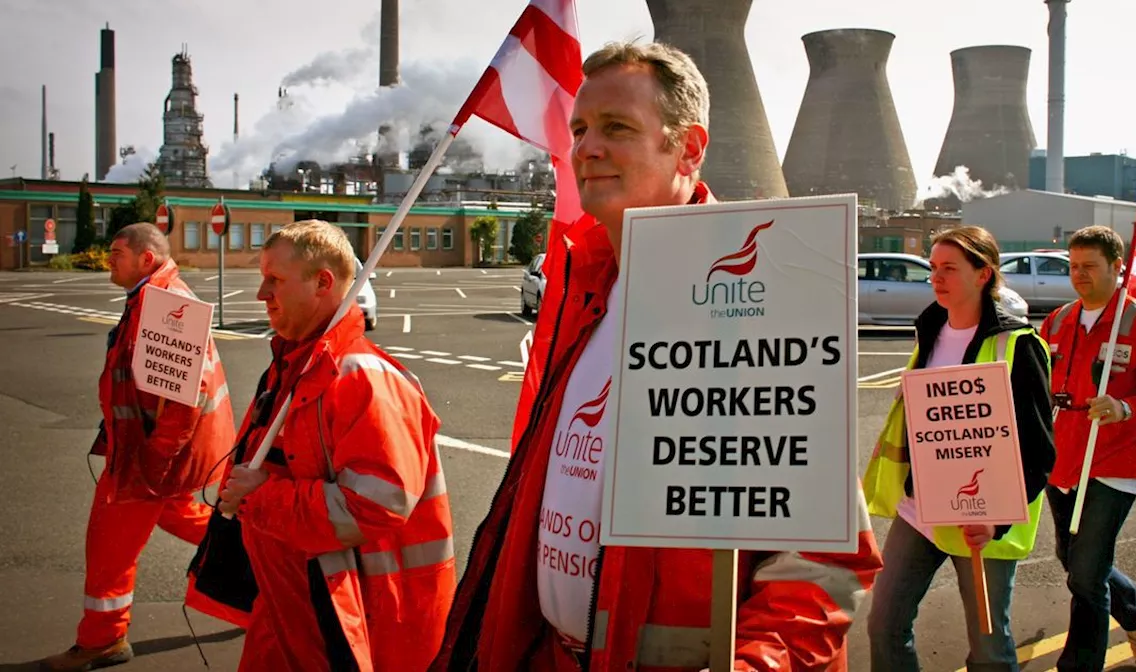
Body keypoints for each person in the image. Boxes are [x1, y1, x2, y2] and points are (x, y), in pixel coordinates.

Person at [430, 41, 884, 671]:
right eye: (581, 129)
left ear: (689, 148)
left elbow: (824, 564)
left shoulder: (760, 302)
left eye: (617, 128)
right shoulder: (579, 288)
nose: (586, 148)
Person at [214, 220, 456, 671]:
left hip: (354, 621)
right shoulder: (293, 364)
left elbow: (375, 504)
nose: (261, 294)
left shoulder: (361, 378)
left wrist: (260, 497)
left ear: (323, 282)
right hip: (294, 607)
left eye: (275, 280)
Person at [42, 223, 235, 671]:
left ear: (146, 258)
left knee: (108, 544)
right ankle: (266, 565)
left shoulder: (168, 305)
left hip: (148, 458)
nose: (109, 259)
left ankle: (102, 639)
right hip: (150, 453)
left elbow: (185, 400)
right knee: (185, 516)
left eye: (117, 252)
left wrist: (152, 462)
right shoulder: (153, 298)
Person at [863, 226, 1056, 672]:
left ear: (983, 273)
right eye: (933, 268)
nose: (937, 277)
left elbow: (1039, 449)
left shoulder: (1017, 344)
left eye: (949, 268)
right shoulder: (929, 327)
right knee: (884, 625)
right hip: (919, 509)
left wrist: (997, 519)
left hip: (980, 517)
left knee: (988, 649)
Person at [1040, 226, 1136, 671]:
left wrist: (1125, 406)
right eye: (1073, 267)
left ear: (1117, 267)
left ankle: (1080, 665)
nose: (1079, 276)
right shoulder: (1060, 320)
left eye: (1089, 267)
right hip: (1063, 459)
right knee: (1073, 558)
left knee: (1085, 576)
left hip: (1113, 463)